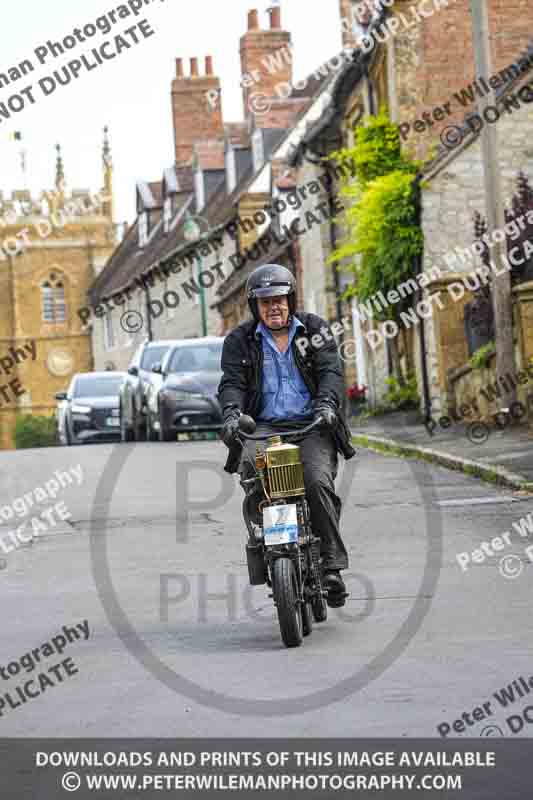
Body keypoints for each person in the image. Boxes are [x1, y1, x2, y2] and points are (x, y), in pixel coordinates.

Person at [217, 264, 356, 605]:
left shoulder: (315, 329)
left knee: (316, 481)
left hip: (312, 424)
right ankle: (264, 541)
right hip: (262, 428)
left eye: (279, 300)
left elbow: (330, 372)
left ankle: (330, 566)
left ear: (290, 299)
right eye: (265, 302)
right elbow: (231, 383)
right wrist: (233, 414)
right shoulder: (239, 341)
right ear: (255, 307)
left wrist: (326, 405)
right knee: (253, 475)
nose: (273, 307)